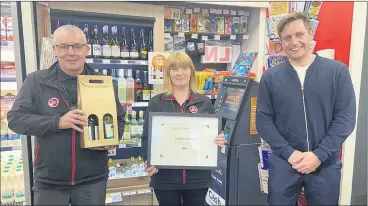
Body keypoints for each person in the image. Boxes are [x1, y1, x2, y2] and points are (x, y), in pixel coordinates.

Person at [7, 25, 126, 205]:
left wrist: (111, 140)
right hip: (50, 180)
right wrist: (57, 122)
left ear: (86, 49)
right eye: (64, 47)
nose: (71, 52)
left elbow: (119, 120)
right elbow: (15, 120)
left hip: (92, 180)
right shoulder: (36, 81)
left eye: (77, 46)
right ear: (55, 49)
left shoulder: (102, 82)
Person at [256, 12, 356, 205]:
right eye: (287, 38)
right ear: (282, 43)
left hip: (325, 163)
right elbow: (263, 121)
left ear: (310, 34)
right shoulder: (271, 77)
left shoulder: (337, 72)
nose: (294, 42)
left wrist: (319, 155)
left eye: (299, 34)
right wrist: (290, 154)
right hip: (285, 163)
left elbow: (345, 118)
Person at [141, 52, 226, 206]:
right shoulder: (157, 102)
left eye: (184, 68)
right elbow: (146, 137)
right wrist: (148, 160)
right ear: (168, 74)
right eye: (174, 69)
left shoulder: (204, 102)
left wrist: (218, 140)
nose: (180, 73)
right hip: (165, 179)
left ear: (191, 72)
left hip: (197, 180)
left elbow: (212, 136)